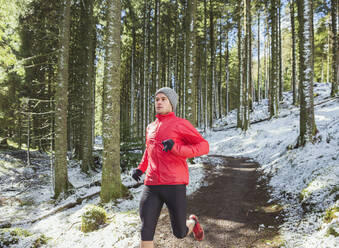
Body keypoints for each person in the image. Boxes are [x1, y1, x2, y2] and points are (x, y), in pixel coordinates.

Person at [132, 87, 209, 248]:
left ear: (171, 103)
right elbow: (149, 149)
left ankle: (192, 223)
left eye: (163, 99)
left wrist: (176, 148)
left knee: (179, 232)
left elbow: (204, 146)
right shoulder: (150, 127)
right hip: (151, 184)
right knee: (146, 230)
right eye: (156, 99)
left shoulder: (181, 124)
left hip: (174, 184)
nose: (159, 102)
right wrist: (141, 168)